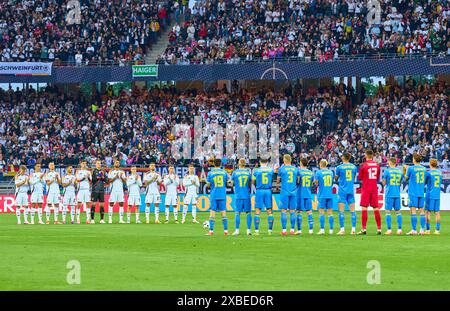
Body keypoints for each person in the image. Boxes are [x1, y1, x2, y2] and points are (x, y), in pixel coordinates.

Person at [357, 149, 382, 235]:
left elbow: (359, 178)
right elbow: (377, 178)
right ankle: (379, 229)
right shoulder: (377, 165)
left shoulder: (363, 165)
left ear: (366, 155)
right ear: (373, 156)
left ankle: (363, 229)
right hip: (374, 188)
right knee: (376, 208)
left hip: (366, 188)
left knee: (364, 208)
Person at [334, 153, 358, 235]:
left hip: (342, 190)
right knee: (353, 211)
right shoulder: (354, 167)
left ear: (343, 157)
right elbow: (354, 177)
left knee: (341, 211)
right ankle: (353, 229)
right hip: (350, 190)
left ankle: (342, 230)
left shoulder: (339, 167)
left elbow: (336, 178)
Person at [277, 154, 299, 235]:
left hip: (284, 192)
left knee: (283, 211)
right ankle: (292, 230)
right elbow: (298, 181)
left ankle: (284, 230)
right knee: (292, 211)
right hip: (293, 191)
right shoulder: (295, 169)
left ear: (285, 160)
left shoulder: (281, 169)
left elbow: (278, 181)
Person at [206, 158, 229, 236]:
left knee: (212, 213)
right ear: (220, 164)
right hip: (222, 194)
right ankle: (226, 231)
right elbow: (227, 183)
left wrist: (206, 182)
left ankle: (211, 231)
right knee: (223, 213)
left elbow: (208, 185)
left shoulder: (210, 173)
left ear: (213, 164)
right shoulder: (224, 172)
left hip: (214, 195)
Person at [404, 153, 427, 235]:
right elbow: (425, 180)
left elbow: (406, 179)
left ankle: (414, 230)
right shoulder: (424, 169)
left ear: (414, 159)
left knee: (413, 211)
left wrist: (406, 170)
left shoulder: (410, 168)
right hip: (421, 192)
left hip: (413, 192)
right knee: (421, 211)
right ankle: (422, 230)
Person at [252, 157, 275, 235]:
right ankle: (270, 231)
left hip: (259, 191)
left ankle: (257, 231)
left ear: (259, 162)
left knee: (257, 210)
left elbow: (253, 181)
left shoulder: (256, 170)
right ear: (267, 162)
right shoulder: (271, 170)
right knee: (269, 211)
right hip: (268, 190)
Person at [382, 157, 403, 235]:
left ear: (391, 163)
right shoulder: (399, 171)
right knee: (398, 212)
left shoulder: (387, 171)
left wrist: (385, 181)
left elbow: (383, 183)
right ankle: (399, 229)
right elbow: (400, 183)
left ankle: (389, 230)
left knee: (388, 212)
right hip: (397, 194)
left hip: (389, 194)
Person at [230, 158, 252, 236]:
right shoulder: (248, 173)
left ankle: (237, 230)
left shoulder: (235, 173)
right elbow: (250, 183)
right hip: (246, 194)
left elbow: (231, 184)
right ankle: (248, 230)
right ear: (244, 164)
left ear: (239, 164)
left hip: (238, 195)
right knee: (248, 213)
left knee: (237, 213)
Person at [315, 159, 335, 235]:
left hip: (322, 194)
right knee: (330, 213)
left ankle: (322, 230)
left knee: (321, 212)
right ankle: (331, 230)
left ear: (320, 164)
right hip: (329, 194)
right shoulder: (331, 172)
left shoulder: (318, 172)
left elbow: (316, 184)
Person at [297, 157, 314, 235]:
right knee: (309, 212)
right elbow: (312, 183)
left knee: (299, 212)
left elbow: (297, 182)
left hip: (300, 194)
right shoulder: (311, 173)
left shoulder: (299, 172)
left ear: (301, 163)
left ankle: (299, 230)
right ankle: (311, 230)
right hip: (308, 193)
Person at [424, 158, 442, 235]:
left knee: (427, 212)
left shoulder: (428, 173)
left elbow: (424, 183)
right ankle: (437, 230)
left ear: (430, 164)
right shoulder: (440, 173)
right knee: (437, 213)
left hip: (430, 195)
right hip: (437, 195)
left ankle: (428, 230)